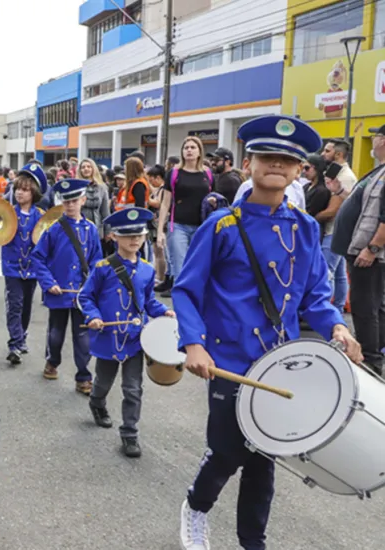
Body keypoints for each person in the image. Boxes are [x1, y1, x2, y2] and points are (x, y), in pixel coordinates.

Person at [173, 116, 362, 550]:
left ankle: (251, 541)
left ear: (300, 171)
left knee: (263, 460)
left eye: (287, 160)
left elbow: (316, 293)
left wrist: (335, 324)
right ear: (250, 163)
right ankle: (196, 508)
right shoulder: (221, 224)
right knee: (225, 452)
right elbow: (186, 289)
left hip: (279, 364)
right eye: (267, 156)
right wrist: (195, 344)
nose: (276, 164)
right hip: (227, 361)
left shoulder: (307, 228)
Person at [79, 207, 173, 458]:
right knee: (102, 382)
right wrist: (94, 316)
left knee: (133, 388)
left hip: (134, 340)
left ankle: (129, 433)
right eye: (128, 235)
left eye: (139, 235)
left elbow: (148, 301)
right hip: (109, 339)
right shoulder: (102, 268)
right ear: (114, 237)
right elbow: (86, 297)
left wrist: (163, 312)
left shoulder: (146, 269)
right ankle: (97, 402)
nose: (134, 240)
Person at [31, 178, 102, 393]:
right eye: (66, 202)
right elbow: (38, 258)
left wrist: (92, 287)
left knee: (83, 336)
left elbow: (96, 261)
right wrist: (48, 283)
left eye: (74, 201)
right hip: (58, 292)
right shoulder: (53, 230)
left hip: (82, 294)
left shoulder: (90, 229)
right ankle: (52, 361)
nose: (70, 205)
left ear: (83, 200)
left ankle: (83, 376)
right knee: (56, 333)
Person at [333, 125, 385, 374]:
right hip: (363, 250)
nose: (373, 141)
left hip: (370, 254)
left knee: (365, 306)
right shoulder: (380, 171)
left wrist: (372, 248)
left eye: (376, 137)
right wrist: (340, 192)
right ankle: (374, 350)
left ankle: (370, 359)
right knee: (374, 305)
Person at [156, 137, 213, 296]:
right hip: (178, 226)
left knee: (198, 267)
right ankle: (181, 306)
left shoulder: (207, 174)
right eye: (186, 147)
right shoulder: (174, 173)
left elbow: (213, 198)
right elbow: (165, 204)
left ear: (199, 151)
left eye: (193, 147)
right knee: (179, 269)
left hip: (201, 227)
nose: (189, 150)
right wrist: (160, 231)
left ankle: (195, 303)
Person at [2, 163, 46, 365]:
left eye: (25, 189)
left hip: (32, 269)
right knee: (15, 304)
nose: (19, 192)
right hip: (12, 266)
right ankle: (14, 344)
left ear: (34, 192)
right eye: (17, 188)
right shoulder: (8, 212)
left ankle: (22, 335)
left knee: (27, 305)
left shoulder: (40, 216)